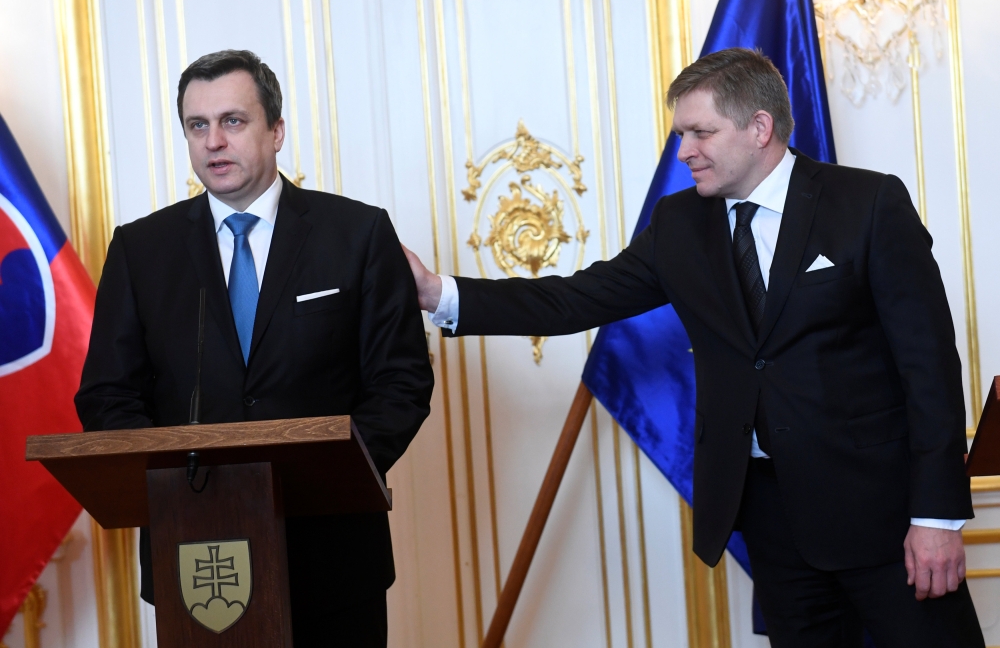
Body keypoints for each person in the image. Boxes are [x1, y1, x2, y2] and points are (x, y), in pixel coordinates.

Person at [403, 48, 984, 647]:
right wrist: (436, 293)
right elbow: (573, 300)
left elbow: (929, 368)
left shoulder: (868, 203)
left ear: (760, 127)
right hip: (767, 514)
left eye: (701, 132)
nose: (684, 151)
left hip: (885, 513)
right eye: (682, 134)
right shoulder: (679, 223)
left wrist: (936, 516)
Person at [76, 49, 433, 647]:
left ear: (277, 131)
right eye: (197, 125)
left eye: (233, 121)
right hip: (193, 551)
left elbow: (401, 382)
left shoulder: (358, 233)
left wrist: (322, 477)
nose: (214, 141)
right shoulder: (142, 250)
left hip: (334, 555)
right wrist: (176, 485)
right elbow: (108, 394)